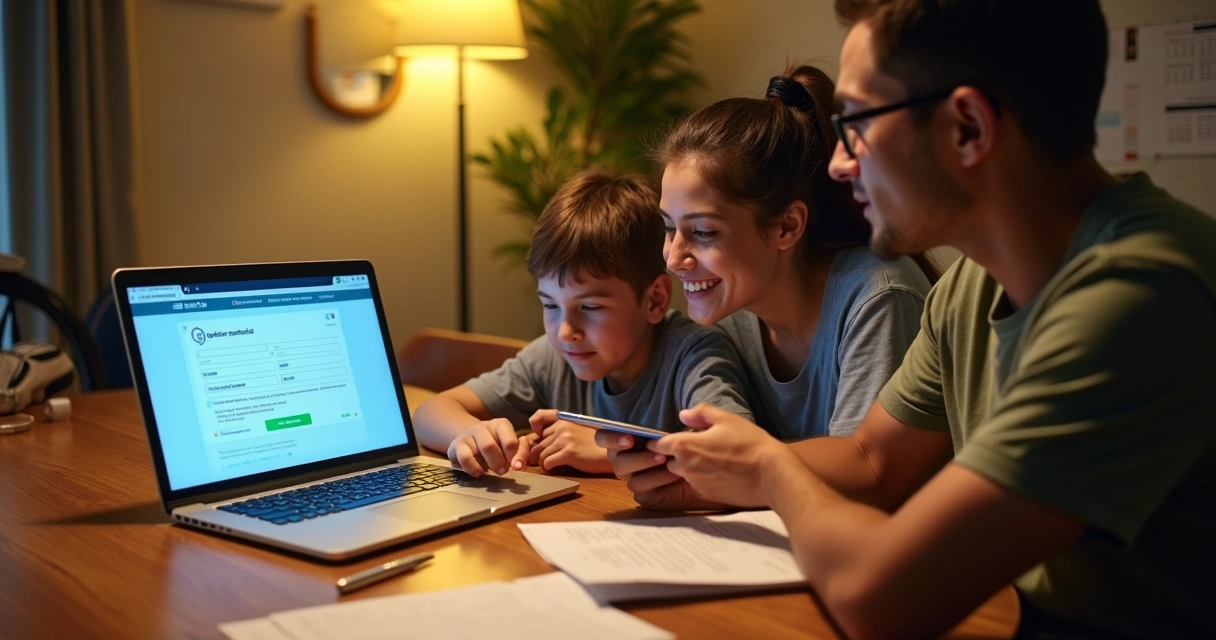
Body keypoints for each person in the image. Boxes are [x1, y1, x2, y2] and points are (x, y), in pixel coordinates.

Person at [600, 0, 1216, 637]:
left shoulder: (1140, 292)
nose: (838, 164)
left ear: (968, 128)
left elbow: (880, 600)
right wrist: (706, 479)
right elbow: (871, 462)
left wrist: (767, 468)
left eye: (860, 122)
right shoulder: (971, 286)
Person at [657, 63, 934, 442]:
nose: (674, 258)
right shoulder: (727, 317)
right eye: (669, 228)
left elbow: (865, 473)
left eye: (703, 232)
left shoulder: (879, 295)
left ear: (787, 226)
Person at [413, 170, 752, 477]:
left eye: (589, 306)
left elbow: (737, 450)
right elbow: (430, 411)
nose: (565, 331)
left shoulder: (695, 354)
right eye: (550, 305)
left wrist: (610, 450)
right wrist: (470, 433)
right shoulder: (553, 357)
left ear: (655, 300)